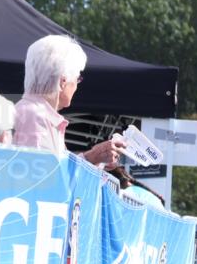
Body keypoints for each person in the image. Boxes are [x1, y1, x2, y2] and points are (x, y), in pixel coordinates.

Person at [14, 35, 125, 167]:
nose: (77, 85)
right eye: (77, 79)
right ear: (63, 82)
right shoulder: (34, 117)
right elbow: (45, 180)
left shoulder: (35, 114)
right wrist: (92, 157)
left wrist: (94, 158)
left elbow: (58, 172)